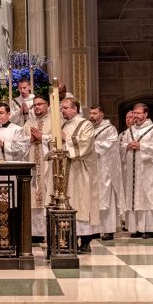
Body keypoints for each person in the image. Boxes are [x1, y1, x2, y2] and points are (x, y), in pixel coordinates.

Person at [119, 103, 153, 238]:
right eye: (134, 113)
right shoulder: (130, 131)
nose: (135, 116)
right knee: (134, 198)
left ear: (145, 114)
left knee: (148, 197)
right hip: (132, 171)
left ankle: (151, 228)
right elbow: (122, 144)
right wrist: (127, 146)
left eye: (138, 113)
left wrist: (141, 145)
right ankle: (136, 228)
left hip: (149, 171)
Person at [60, 98, 99, 253]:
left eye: (65, 108)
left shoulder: (86, 124)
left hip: (81, 171)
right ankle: (69, 240)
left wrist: (66, 139)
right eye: (61, 108)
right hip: (65, 171)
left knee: (82, 203)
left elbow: (86, 144)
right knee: (69, 203)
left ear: (75, 109)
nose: (63, 111)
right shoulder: (63, 125)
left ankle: (85, 241)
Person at [88, 105, 123, 241]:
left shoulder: (110, 129)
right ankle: (96, 229)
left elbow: (110, 145)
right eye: (90, 113)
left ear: (101, 114)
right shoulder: (90, 128)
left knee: (106, 198)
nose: (91, 116)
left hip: (105, 168)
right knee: (94, 197)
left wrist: (91, 145)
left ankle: (108, 229)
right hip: (92, 167)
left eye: (94, 113)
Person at [24, 96, 53, 238]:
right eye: (34, 105)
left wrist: (44, 138)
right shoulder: (28, 123)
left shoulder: (54, 122)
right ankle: (34, 233)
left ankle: (47, 231)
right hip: (32, 165)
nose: (37, 107)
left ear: (47, 105)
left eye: (40, 104)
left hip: (47, 165)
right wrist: (29, 140)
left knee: (46, 191)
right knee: (32, 194)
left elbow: (59, 140)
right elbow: (20, 144)